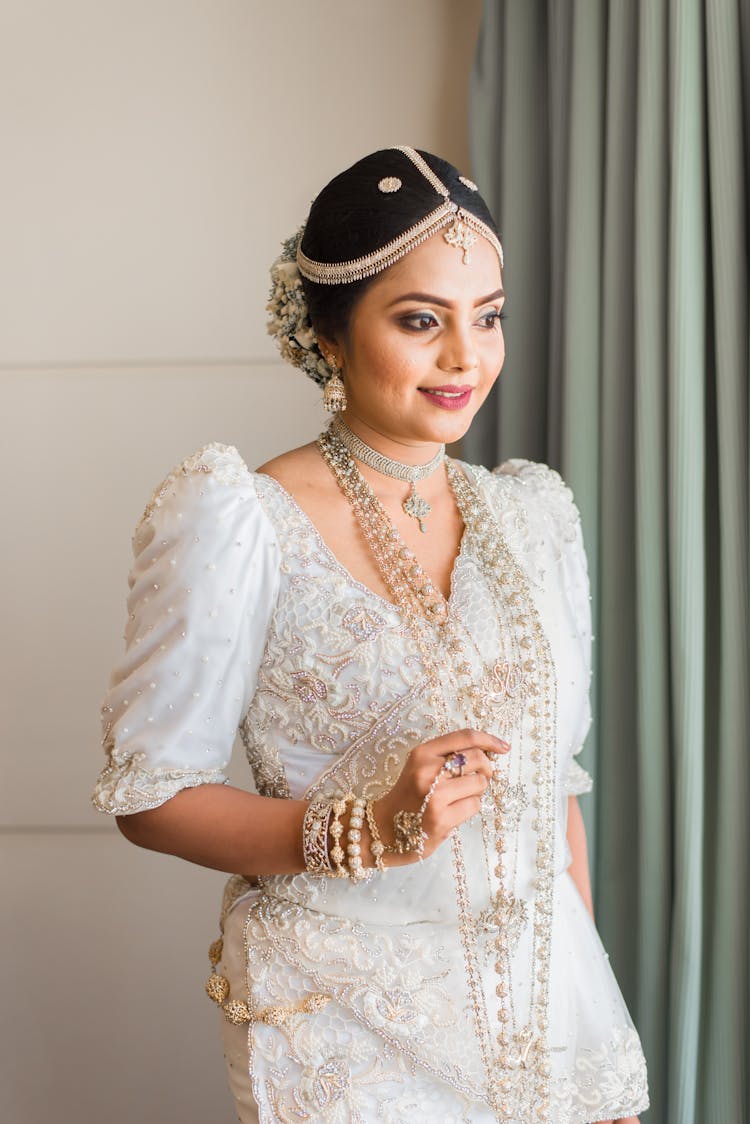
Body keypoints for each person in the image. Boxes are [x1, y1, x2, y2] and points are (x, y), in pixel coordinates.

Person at [92, 146, 649, 1124]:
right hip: (345, 1030)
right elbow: (151, 794)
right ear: (328, 331)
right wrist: (364, 827)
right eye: (420, 319)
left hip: (541, 1032)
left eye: (488, 316)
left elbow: (549, 791)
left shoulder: (531, 516)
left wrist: (590, 1045)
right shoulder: (239, 519)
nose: (465, 356)